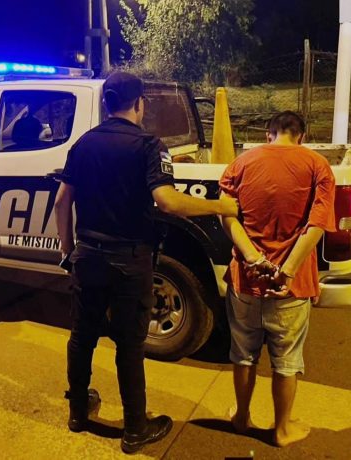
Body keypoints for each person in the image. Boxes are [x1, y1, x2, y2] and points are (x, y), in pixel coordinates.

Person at [55, 71, 238, 454]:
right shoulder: (149, 145)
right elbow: (167, 201)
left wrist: (69, 251)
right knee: (129, 345)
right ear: (140, 103)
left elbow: (61, 202)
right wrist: (219, 206)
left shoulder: (83, 144)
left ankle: (77, 412)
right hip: (130, 260)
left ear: (106, 103)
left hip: (88, 256)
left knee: (82, 337)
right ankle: (135, 429)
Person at [219, 111, 336, 447]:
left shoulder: (240, 164)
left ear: (268, 134)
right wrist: (286, 271)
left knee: (243, 354)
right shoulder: (318, 166)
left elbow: (227, 216)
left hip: (246, 280)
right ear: (301, 136)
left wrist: (253, 258)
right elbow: (316, 225)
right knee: (286, 360)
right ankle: (282, 430)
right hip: (291, 288)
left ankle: (242, 417)